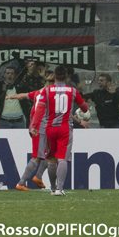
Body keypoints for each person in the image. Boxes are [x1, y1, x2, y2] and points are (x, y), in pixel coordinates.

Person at [28, 65, 90, 196]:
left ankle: (52, 188)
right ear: (67, 76)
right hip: (65, 129)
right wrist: (85, 109)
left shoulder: (46, 90)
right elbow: (84, 108)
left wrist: (34, 126)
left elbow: (39, 109)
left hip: (50, 128)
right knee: (62, 158)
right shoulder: (72, 91)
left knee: (51, 159)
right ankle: (60, 189)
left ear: (54, 76)